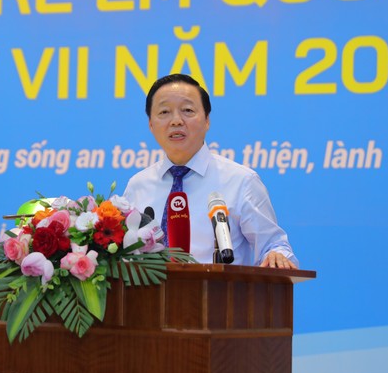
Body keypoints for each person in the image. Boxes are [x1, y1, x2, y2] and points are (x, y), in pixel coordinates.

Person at [123, 73, 299, 268]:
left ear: (207, 120)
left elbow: (274, 246)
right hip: (149, 297)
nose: (176, 121)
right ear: (150, 124)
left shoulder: (241, 181)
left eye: (187, 110)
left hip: (219, 296)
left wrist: (277, 255)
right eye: (164, 112)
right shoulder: (138, 185)